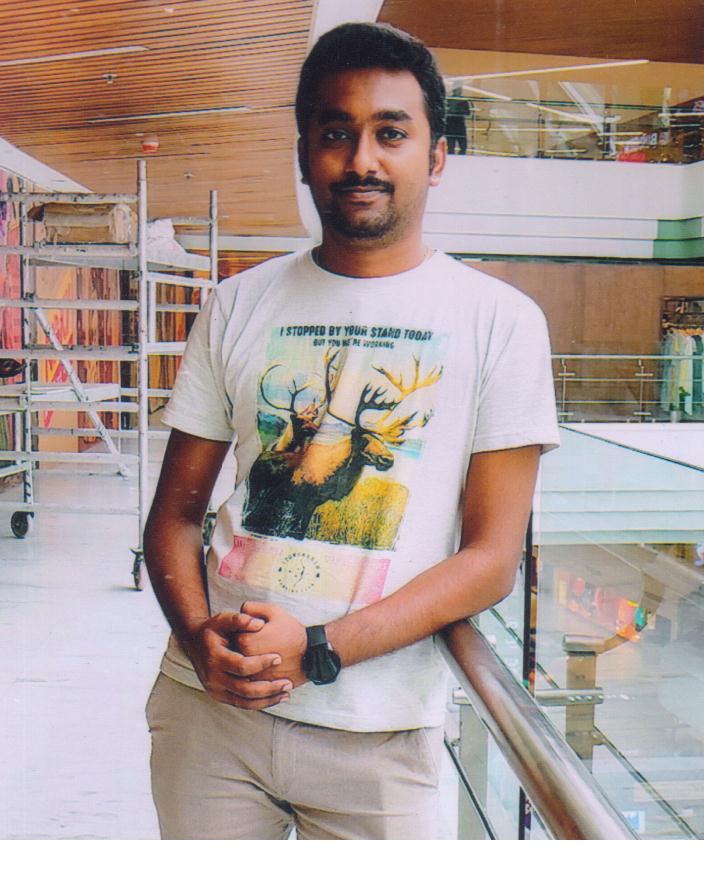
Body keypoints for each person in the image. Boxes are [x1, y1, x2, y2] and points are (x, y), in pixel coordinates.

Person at [143, 21, 560, 841]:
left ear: (436, 157)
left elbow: (490, 560)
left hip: (379, 738)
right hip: (209, 719)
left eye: (391, 134)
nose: (362, 159)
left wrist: (319, 648)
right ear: (305, 155)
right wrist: (197, 643)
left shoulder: (501, 322)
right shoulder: (236, 303)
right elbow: (176, 516)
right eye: (336, 133)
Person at [445, 83, 472, 155]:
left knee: (454, 146)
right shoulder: (462, 100)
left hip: (453, 124)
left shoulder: (449, 100)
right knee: (458, 145)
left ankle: (455, 158)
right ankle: (459, 158)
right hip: (456, 124)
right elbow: (468, 112)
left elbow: (467, 112)